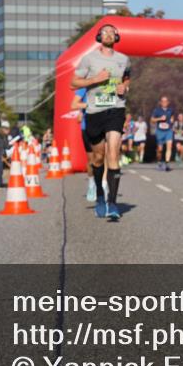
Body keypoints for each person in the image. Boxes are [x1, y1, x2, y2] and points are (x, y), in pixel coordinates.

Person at [71, 23, 131, 221]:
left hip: (116, 109)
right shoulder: (89, 59)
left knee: (113, 152)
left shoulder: (124, 60)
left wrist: (124, 87)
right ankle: (99, 195)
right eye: (104, 32)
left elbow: (127, 78)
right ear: (99, 37)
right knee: (98, 157)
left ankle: (112, 203)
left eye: (112, 32)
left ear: (116, 36)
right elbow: (73, 83)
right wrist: (95, 79)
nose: (108, 34)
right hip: (95, 111)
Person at [71, 87, 98, 202]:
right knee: (91, 160)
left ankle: (104, 185)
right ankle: (92, 184)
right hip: (87, 127)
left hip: (104, 126)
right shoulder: (85, 87)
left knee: (103, 157)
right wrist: (89, 106)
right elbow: (74, 104)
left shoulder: (107, 86)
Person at [152, 96, 176, 171]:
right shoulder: (157, 110)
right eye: (163, 101)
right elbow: (152, 120)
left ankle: (167, 163)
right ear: (160, 102)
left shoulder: (170, 110)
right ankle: (160, 162)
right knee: (160, 149)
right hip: (160, 131)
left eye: (166, 101)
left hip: (168, 130)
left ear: (168, 102)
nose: (164, 103)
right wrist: (160, 118)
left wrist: (172, 120)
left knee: (169, 146)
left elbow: (172, 116)